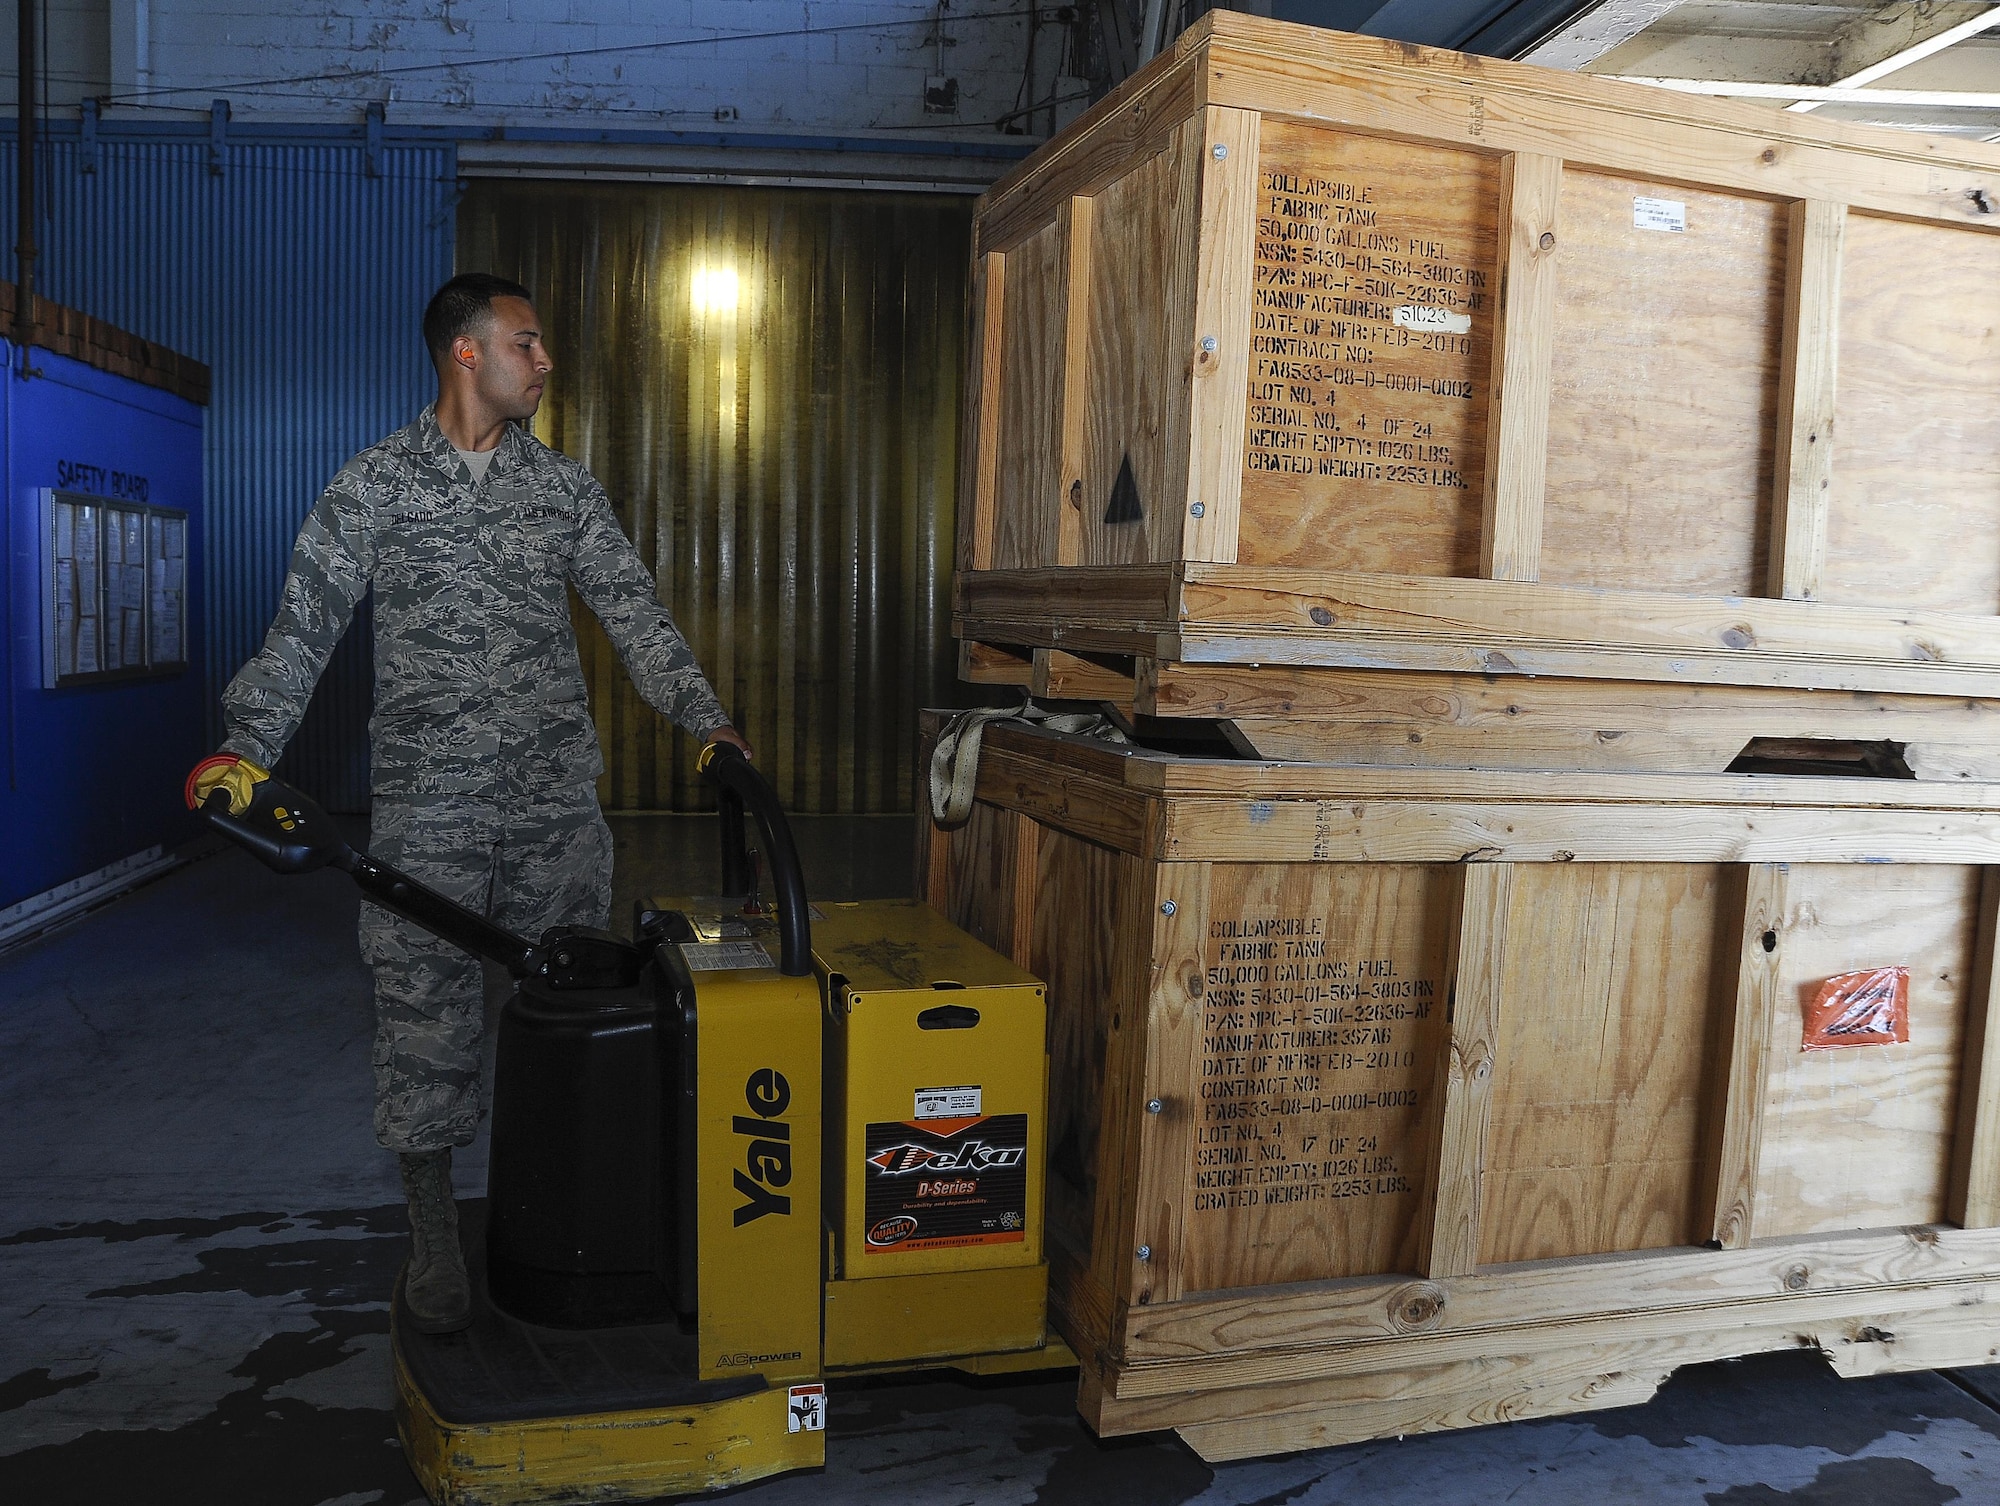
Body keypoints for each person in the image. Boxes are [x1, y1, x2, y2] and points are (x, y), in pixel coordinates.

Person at [189, 272, 750, 1333]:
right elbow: (302, 630)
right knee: (425, 1023)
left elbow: (634, 613)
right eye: (527, 345)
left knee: (576, 1013)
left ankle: (567, 1212)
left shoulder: (563, 493)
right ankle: (435, 1234)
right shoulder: (374, 490)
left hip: (550, 806)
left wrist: (703, 719)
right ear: (465, 352)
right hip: (428, 812)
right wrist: (244, 751)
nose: (544, 364)